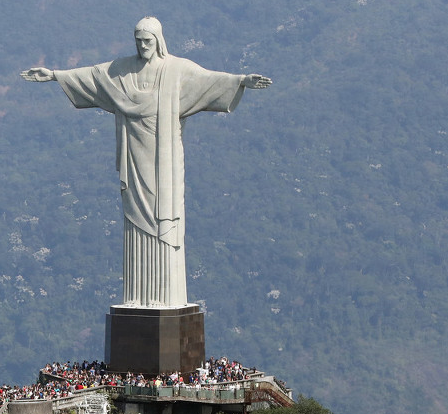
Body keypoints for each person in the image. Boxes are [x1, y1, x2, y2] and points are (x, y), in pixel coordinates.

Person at [21, 17, 271, 307]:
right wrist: (53, 75)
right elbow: (92, 76)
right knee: (137, 222)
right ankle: (138, 296)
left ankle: (166, 296)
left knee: (164, 218)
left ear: (159, 41)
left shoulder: (177, 70)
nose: (142, 46)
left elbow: (209, 80)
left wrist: (241, 80)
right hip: (134, 161)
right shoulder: (122, 71)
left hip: (164, 162)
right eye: (138, 40)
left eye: (148, 41)